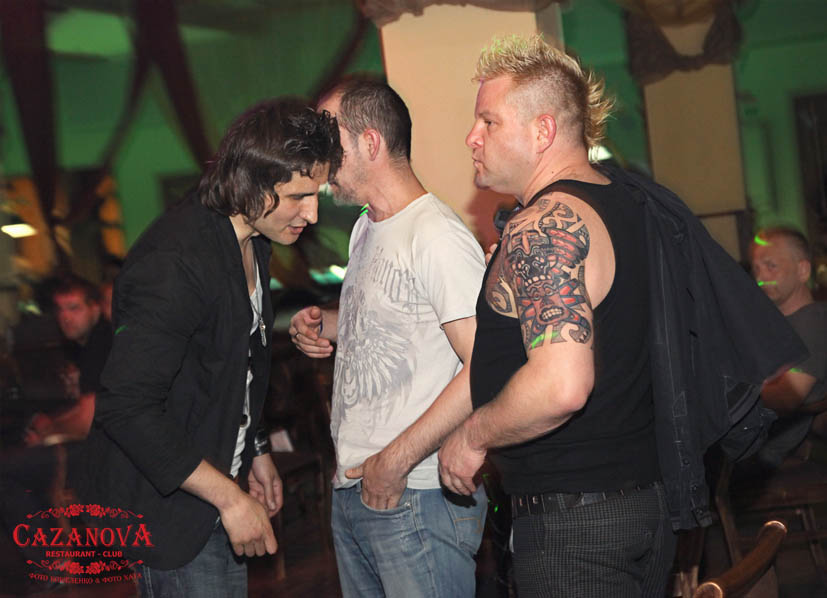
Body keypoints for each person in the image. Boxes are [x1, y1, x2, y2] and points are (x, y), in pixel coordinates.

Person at [73, 98, 342, 597]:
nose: (312, 213)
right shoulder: (174, 262)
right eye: (299, 196)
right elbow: (125, 407)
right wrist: (230, 499)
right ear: (252, 184)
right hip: (171, 509)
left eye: (317, 194)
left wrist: (255, 448)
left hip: (212, 485)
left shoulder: (253, 237)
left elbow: (233, 364)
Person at [437, 35, 674, 596]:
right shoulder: (628, 202)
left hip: (577, 528)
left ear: (542, 131)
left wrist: (472, 437)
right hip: (645, 503)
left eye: (488, 122)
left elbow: (562, 385)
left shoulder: (544, 225)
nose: (471, 137)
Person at [289, 76, 487, 598]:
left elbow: (485, 366)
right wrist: (324, 322)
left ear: (371, 143)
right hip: (358, 487)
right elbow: (395, 319)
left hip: (415, 493)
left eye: (330, 141)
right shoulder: (366, 227)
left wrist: (395, 462)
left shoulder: (437, 235)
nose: (320, 158)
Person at [750, 226, 827, 468]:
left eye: (771, 266)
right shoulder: (774, 325)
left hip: (770, 460)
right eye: (756, 269)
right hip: (754, 452)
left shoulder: (812, 321)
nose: (761, 277)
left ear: (802, 270)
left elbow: (785, 398)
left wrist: (729, 389)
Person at [24, 275, 112, 446]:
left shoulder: (102, 344)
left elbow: (89, 421)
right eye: (60, 309)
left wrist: (47, 433)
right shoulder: (82, 344)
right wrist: (51, 421)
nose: (65, 317)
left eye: (74, 308)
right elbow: (85, 404)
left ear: (95, 309)